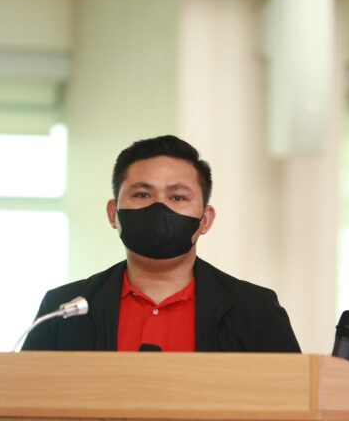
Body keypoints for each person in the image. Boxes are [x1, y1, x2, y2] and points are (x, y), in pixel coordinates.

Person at [22, 135, 300, 353]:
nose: (159, 207)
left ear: (205, 220)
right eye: (142, 195)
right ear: (113, 213)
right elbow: (26, 401)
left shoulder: (256, 311)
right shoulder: (62, 310)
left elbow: (291, 401)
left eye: (178, 197)